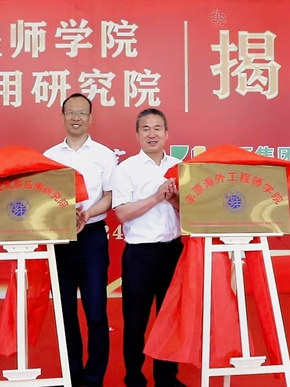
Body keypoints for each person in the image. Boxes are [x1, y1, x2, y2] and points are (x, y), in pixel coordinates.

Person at [43, 93, 117, 387]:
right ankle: (71, 376)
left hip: (92, 238)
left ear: (90, 118)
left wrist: (86, 213)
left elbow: (110, 196)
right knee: (65, 312)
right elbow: (42, 199)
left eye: (82, 113)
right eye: (71, 112)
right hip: (59, 240)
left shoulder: (104, 155)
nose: (76, 117)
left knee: (96, 312)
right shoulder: (49, 156)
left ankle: (94, 378)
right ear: (62, 116)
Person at [112, 108, 186, 387]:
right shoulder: (126, 169)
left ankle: (167, 378)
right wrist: (156, 198)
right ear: (137, 134)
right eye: (146, 129)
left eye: (157, 128)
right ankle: (134, 378)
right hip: (140, 255)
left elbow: (191, 213)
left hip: (173, 252)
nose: (152, 134)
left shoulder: (180, 167)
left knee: (170, 319)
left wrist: (175, 200)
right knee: (135, 322)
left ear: (166, 133)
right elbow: (122, 212)